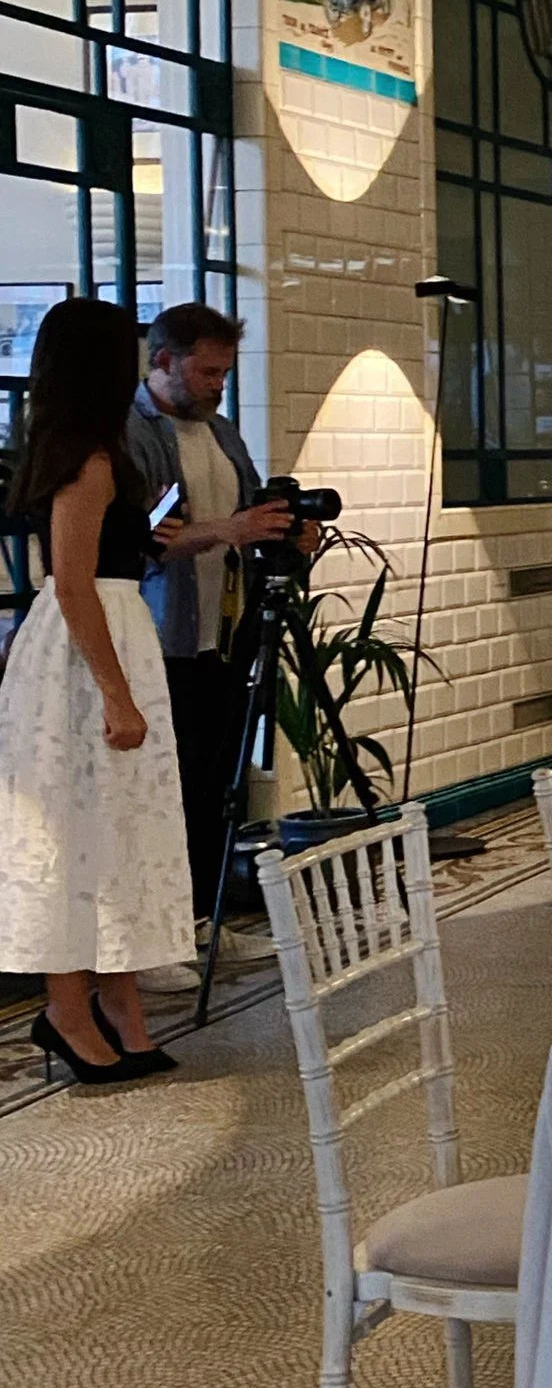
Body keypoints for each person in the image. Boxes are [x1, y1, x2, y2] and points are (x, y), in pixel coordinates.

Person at [0, 297, 191, 1083]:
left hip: (104, 636)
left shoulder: (92, 449)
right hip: (86, 655)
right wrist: (116, 693)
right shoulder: (88, 457)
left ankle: (119, 1002)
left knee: (115, 830)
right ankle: (69, 1009)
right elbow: (74, 583)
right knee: (81, 832)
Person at [125, 303, 298, 923]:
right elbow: (143, 537)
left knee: (216, 778)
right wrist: (231, 527)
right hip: (161, 632)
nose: (216, 386)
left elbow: (250, 508)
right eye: (206, 373)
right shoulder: (132, 432)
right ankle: (166, 921)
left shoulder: (222, 432)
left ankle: (206, 910)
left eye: (224, 374)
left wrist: (280, 530)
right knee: (168, 782)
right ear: (164, 361)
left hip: (225, 631)